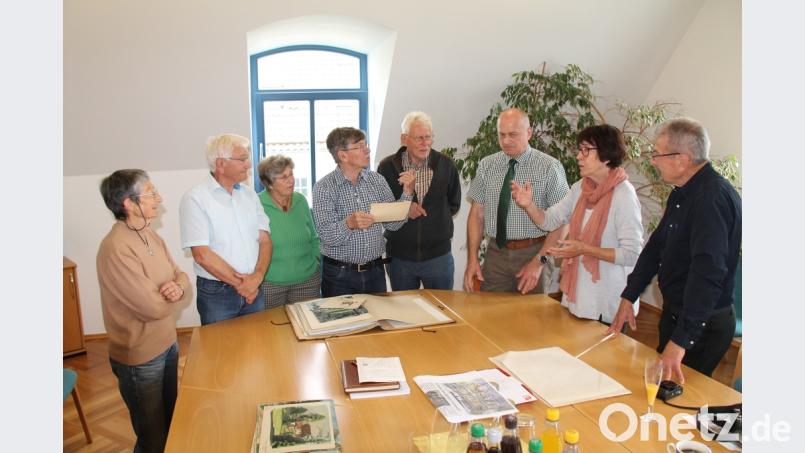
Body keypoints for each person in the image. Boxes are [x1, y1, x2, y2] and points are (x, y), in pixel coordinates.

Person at [608, 118, 741, 383]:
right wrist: (629, 295)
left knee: (680, 401)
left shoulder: (711, 199)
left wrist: (681, 340)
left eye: (657, 154)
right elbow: (656, 247)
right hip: (677, 314)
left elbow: (708, 275)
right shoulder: (682, 192)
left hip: (702, 325)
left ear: (682, 159)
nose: (653, 161)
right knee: (660, 391)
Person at [511, 124, 644, 323]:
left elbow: (632, 255)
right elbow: (549, 221)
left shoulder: (624, 195)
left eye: (586, 150)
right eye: (579, 150)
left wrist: (583, 249)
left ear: (606, 155)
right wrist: (529, 205)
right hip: (579, 297)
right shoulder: (581, 188)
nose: (578, 156)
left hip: (608, 300)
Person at [97, 169, 189, 453]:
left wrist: (178, 287)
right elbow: (150, 307)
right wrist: (175, 290)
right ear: (128, 203)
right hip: (139, 357)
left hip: (166, 344)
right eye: (151, 193)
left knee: (171, 422)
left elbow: (180, 274)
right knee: (152, 437)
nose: (158, 198)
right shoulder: (115, 248)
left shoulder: (148, 233)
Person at [463, 107, 570, 294]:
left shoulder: (549, 167)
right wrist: (472, 258)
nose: (506, 141)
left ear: (529, 133)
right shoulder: (487, 165)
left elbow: (563, 222)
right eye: (501, 134)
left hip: (535, 251)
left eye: (513, 134)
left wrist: (539, 262)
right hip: (496, 252)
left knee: (531, 319)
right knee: (490, 315)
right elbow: (477, 215)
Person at [179, 133, 272, 325]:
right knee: (220, 350)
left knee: (257, 345)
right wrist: (243, 285)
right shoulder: (195, 199)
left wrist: (257, 277)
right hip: (217, 294)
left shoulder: (250, 195)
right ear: (220, 164)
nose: (248, 165)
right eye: (243, 159)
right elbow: (202, 255)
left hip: (255, 286)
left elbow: (265, 240)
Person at [312, 126, 415, 296]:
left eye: (365, 144)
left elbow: (394, 225)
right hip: (339, 275)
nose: (367, 149)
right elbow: (326, 235)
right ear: (342, 155)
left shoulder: (377, 180)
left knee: (378, 322)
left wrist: (408, 193)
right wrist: (349, 224)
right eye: (359, 146)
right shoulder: (324, 187)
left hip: (375, 271)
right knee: (343, 323)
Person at [377, 111, 461, 290]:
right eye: (418, 138)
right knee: (405, 314)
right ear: (404, 138)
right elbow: (381, 209)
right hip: (399, 259)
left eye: (428, 137)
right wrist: (404, 210)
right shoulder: (386, 167)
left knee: (442, 311)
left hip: (439, 257)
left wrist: (435, 219)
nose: (425, 143)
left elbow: (454, 204)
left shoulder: (446, 164)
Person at [257, 155, 321, 307]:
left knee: (307, 326)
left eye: (291, 174)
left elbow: (313, 236)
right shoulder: (257, 203)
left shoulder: (301, 200)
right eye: (283, 177)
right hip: (270, 283)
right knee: (274, 329)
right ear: (270, 184)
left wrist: (316, 259)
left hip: (307, 281)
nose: (291, 180)